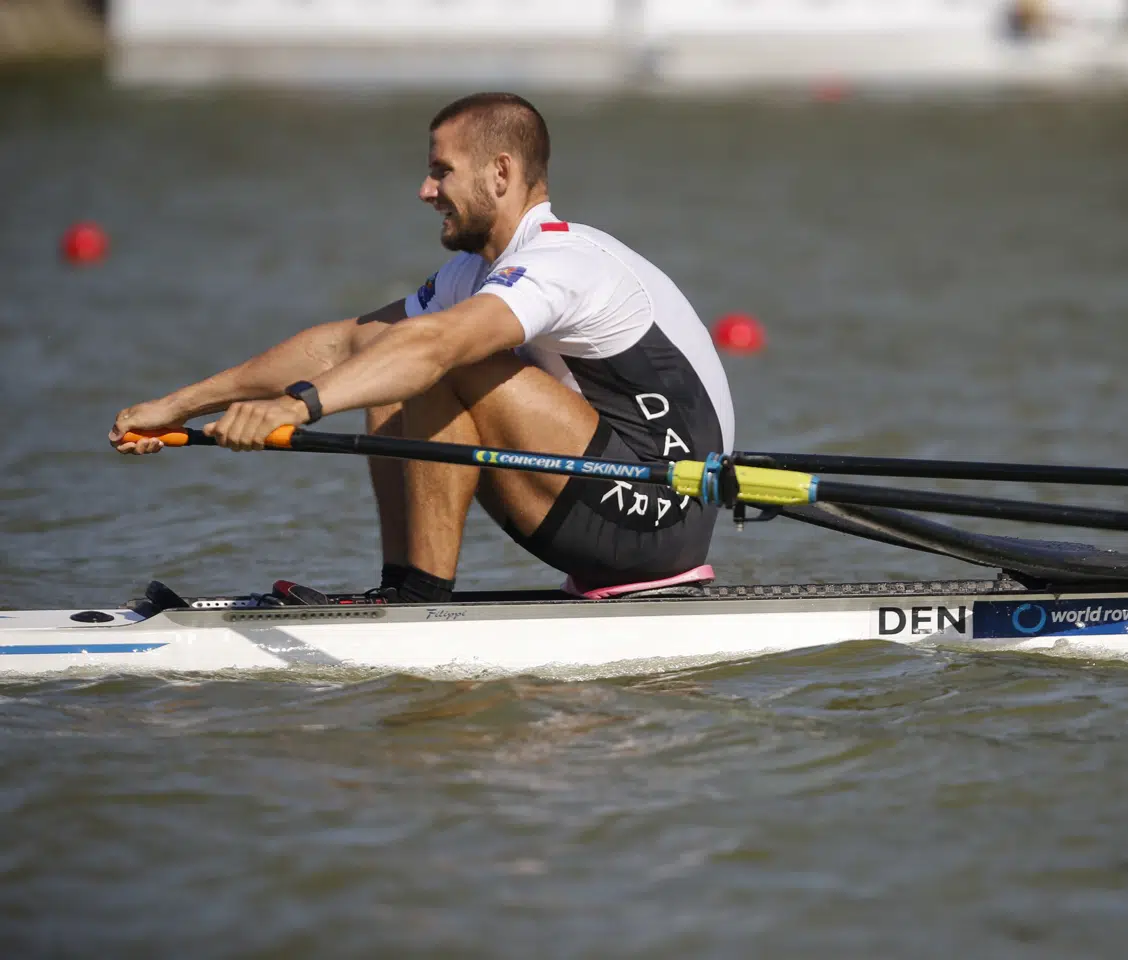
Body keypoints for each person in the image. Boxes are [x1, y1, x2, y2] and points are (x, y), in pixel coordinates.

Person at [110, 92, 735, 603]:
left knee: (430, 357)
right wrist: (182, 404)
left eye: (442, 171)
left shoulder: (563, 262)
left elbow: (431, 350)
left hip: (660, 513)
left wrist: (297, 409)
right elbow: (344, 343)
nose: (425, 190)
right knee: (392, 352)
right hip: (600, 502)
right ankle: (400, 587)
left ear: (501, 174)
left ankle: (420, 596)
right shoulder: (477, 272)